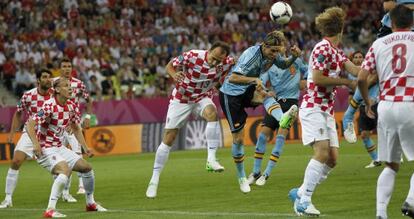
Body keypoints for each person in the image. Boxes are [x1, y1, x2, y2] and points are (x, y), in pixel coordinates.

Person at [287, 7, 360, 216]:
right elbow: (318, 78)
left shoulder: (336, 51)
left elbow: (354, 69)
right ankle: (305, 200)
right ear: (341, 29)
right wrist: (346, 82)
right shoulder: (322, 48)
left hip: (325, 110)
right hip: (313, 107)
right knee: (322, 152)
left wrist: (374, 68)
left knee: (333, 159)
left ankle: (300, 192)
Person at [145, 41, 235, 198]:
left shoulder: (228, 62)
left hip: (202, 97)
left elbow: (227, 74)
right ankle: (154, 179)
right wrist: (174, 75)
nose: (215, 62)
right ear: (209, 50)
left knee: (212, 113)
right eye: (214, 58)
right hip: (182, 98)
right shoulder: (192, 56)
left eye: (219, 61)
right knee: (169, 139)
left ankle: (211, 159)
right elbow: (169, 66)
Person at [219, 30, 301, 193]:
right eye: (273, 51)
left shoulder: (273, 53)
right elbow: (233, 78)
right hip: (231, 95)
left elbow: (284, 64)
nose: (275, 54)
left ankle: (283, 117)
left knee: (266, 94)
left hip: (247, 88)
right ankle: (242, 176)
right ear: (264, 46)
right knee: (239, 139)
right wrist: (254, 79)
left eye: (278, 51)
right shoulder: (251, 55)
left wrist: (294, 57)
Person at [357, 5, 414, 219]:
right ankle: (411, 201)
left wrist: (367, 102)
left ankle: (381, 214)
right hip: (410, 103)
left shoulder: (378, 43)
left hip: (386, 105)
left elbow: (362, 78)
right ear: (412, 22)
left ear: (391, 22)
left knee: (391, 165)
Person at [26, 78, 106, 217]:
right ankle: (50, 210)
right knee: (65, 171)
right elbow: (30, 125)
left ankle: (90, 203)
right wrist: (36, 144)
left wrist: (85, 147)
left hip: (59, 147)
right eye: (66, 86)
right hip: (46, 148)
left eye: (70, 86)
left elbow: (75, 127)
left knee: (87, 168)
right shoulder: (49, 105)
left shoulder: (71, 106)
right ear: (57, 90)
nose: (70, 88)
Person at [247, 46, 308, 186]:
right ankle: (256, 172)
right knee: (262, 136)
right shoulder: (270, 67)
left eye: (279, 49)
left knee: (281, 136)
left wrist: (305, 80)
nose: (277, 52)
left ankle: (266, 174)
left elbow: (310, 71)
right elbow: (261, 83)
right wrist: (266, 91)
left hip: (291, 104)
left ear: (284, 51)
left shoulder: (296, 61)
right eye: (274, 51)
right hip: (276, 104)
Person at [0, 69, 52, 209]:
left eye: (49, 77)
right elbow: (18, 113)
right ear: (38, 81)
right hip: (30, 132)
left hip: (50, 134)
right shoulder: (28, 95)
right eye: (45, 77)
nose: (48, 80)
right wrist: (12, 133)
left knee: (59, 167)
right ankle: (8, 199)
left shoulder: (55, 94)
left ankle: (64, 193)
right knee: (16, 161)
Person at [57, 58, 94, 199]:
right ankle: (63, 191)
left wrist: (88, 117)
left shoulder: (79, 84)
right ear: (60, 68)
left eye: (69, 66)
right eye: (64, 66)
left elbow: (88, 100)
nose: (66, 69)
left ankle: (81, 186)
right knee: (59, 157)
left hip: (74, 125)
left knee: (77, 153)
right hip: (58, 125)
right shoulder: (55, 84)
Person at [342, 51, 381, 168]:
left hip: (377, 103)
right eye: (356, 57)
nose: (358, 59)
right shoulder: (354, 73)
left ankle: (395, 155)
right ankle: (376, 159)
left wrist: (359, 88)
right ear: (352, 60)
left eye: (360, 57)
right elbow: (352, 92)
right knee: (364, 134)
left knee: (387, 131)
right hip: (364, 105)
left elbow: (373, 80)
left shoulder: (370, 69)